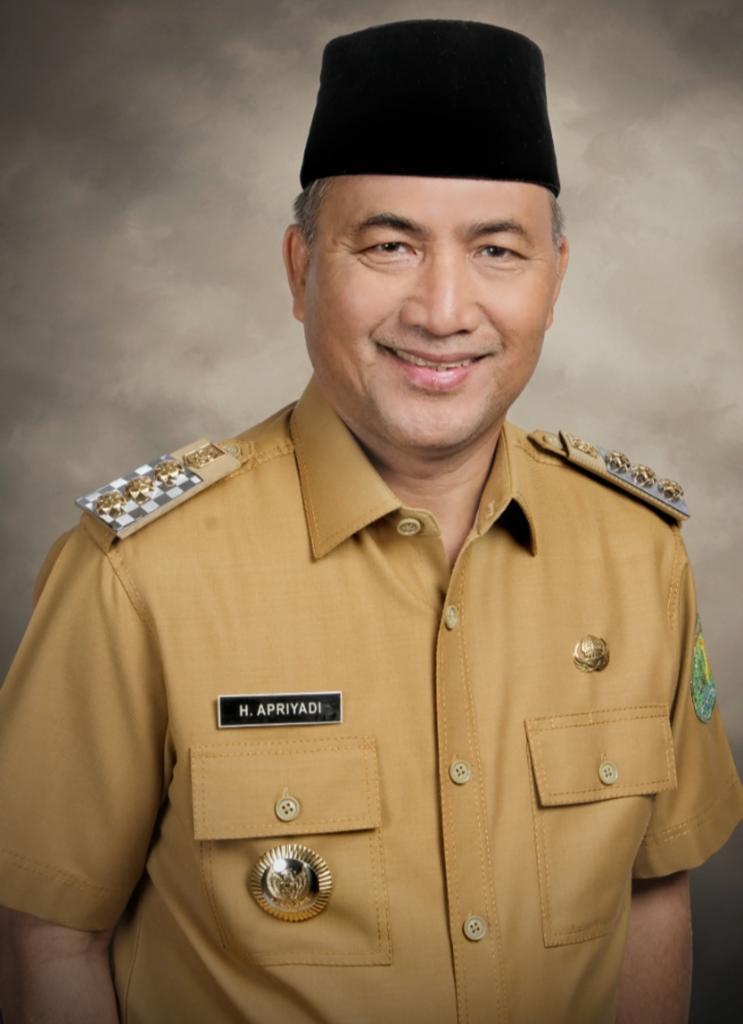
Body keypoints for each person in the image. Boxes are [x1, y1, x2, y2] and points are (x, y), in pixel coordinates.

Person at [0, 18, 740, 1024]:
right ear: (301, 268)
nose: (442, 310)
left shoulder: (637, 552)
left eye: (496, 250)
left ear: (555, 278)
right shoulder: (137, 573)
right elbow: (51, 937)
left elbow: (650, 888)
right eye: (389, 246)